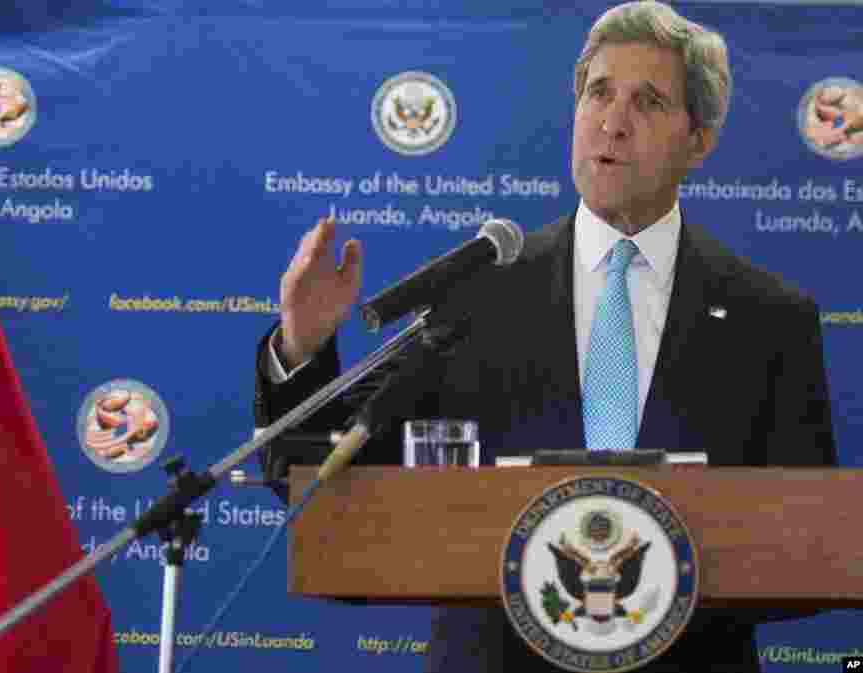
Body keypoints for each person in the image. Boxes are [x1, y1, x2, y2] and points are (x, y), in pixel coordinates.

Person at [253, 2, 837, 671]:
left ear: (698, 141)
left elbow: (806, 547)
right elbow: (329, 485)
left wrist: (663, 585)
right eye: (599, 93)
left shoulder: (769, 317)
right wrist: (302, 348)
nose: (613, 121)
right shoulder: (477, 295)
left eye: (648, 101)